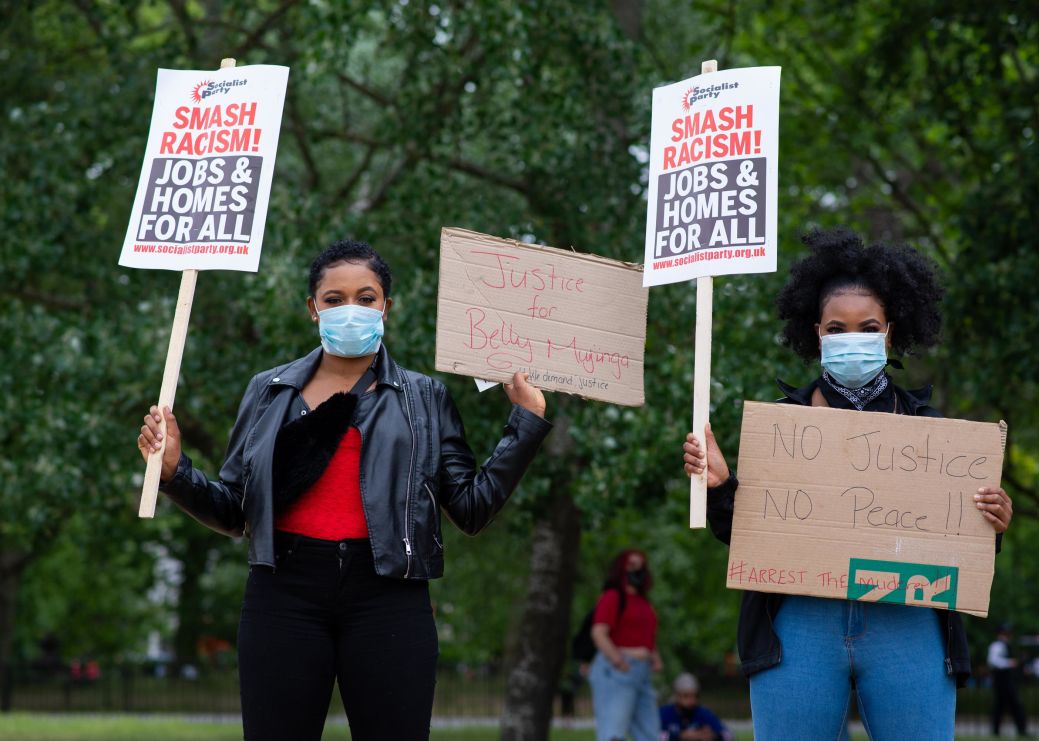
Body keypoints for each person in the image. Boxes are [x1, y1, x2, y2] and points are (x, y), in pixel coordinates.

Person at [137, 239, 550, 740]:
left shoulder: (426, 397)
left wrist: (526, 423)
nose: (349, 309)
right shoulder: (268, 391)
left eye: (366, 297)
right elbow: (234, 511)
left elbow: (472, 508)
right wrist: (176, 471)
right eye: (334, 299)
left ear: (386, 307)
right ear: (313, 309)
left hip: (389, 598)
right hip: (282, 594)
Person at [682, 228, 1013, 740]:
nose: (851, 337)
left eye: (867, 326)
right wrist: (721, 485)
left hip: (907, 623)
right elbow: (745, 535)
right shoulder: (781, 427)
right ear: (816, 332)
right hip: (798, 626)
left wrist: (994, 520)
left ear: (889, 332)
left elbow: (964, 546)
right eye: (837, 327)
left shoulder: (935, 431)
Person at [588, 549, 663, 741]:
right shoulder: (612, 596)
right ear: (621, 568)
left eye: (640, 565)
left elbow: (646, 635)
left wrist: (653, 656)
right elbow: (599, 633)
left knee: (650, 734)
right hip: (617, 671)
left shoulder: (643, 602)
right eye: (631, 565)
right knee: (613, 734)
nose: (636, 570)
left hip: (642, 672)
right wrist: (619, 661)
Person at [658, 672, 732, 741]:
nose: (692, 700)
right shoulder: (663, 713)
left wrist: (714, 736)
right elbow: (652, 736)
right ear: (677, 696)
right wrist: (681, 736)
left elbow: (728, 735)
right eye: (686, 696)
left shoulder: (702, 713)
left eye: (695, 696)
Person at [988, 624, 1029, 736]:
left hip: (1007, 681)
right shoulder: (997, 645)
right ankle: (999, 730)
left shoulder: (1006, 645)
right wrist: (1009, 663)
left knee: (1008, 706)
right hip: (1001, 682)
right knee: (1005, 706)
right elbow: (993, 661)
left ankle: (1019, 730)